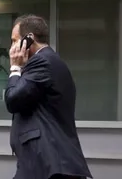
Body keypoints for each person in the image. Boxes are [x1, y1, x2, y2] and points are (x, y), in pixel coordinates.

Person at [6, 15, 91, 179]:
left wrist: (15, 68)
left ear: (28, 40)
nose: (11, 48)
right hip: (46, 162)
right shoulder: (48, 61)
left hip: (47, 162)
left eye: (14, 40)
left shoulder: (42, 62)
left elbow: (13, 100)